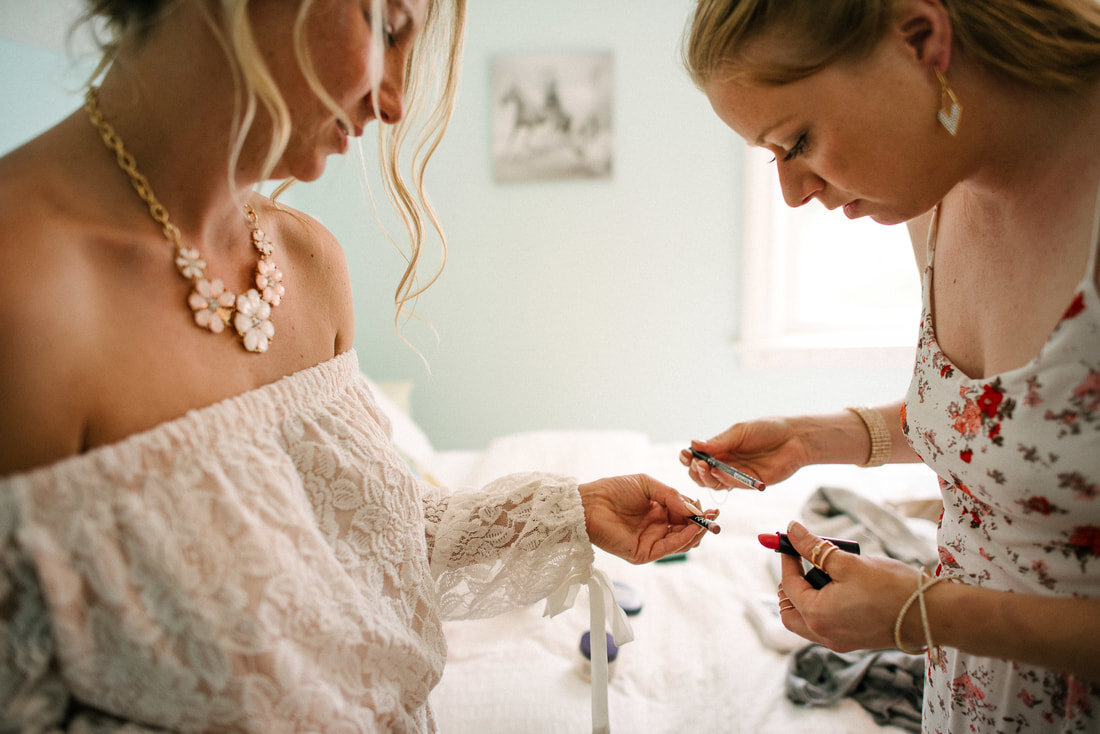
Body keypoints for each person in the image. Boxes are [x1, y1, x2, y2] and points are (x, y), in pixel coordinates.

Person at [0, 1, 718, 730]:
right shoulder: (22, 298)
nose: (397, 100)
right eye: (389, 27)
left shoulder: (308, 262)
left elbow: (368, 544)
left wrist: (573, 512)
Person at [679, 0, 1100, 730]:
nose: (791, 191)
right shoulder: (936, 201)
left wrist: (923, 611)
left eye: (796, 140)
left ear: (921, 38)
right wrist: (815, 439)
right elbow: (1021, 430)